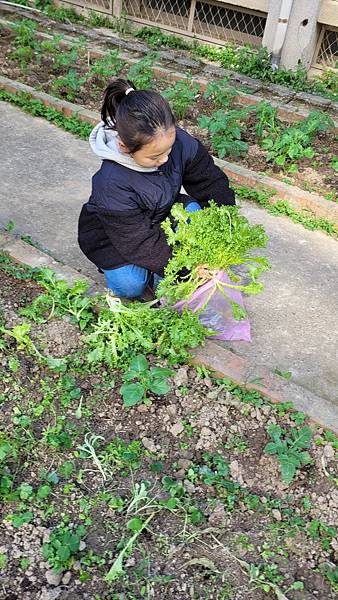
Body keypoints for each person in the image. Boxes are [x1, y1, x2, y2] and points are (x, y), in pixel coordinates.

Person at [78, 78, 235, 299]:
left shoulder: (175, 141)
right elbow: (140, 242)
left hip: (159, 213)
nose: (165, 158)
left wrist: (226, 223)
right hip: (114, 237)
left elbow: (211, 183)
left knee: (195, 216)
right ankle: (127, 270)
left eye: (169, 149)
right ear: (125, 148)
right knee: (131, 286)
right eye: (154, 157)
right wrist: (186, 270)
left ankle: (159, 269)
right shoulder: (111, 182)